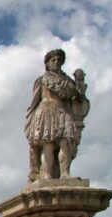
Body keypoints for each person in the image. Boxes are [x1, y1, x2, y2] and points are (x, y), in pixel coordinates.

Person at [25, 49, 89, 181]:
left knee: (66, 143)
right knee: (48, 144)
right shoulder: (42, 80)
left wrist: (80, 82)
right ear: (47, 64)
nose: (56, 62)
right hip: (46, 111)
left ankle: (65, 173)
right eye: (53, 60)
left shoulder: (68, 81)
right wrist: (30, 119)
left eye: (59, 60)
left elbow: (79, 98)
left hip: (63, 112)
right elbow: (34, 101)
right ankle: (47, 175)